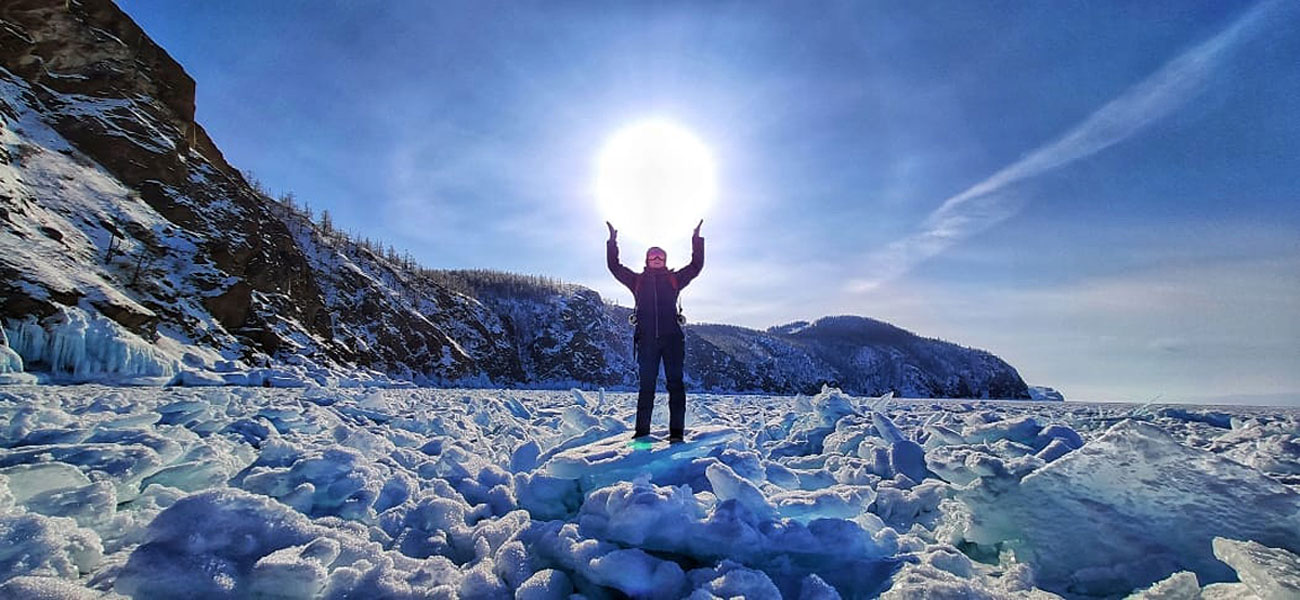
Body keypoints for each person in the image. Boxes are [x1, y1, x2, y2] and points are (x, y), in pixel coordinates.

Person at [606, 219, 704, 442]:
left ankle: (676, 435)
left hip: (672, 340)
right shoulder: (637, 281)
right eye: (653, 256)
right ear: (647, 260)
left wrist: (696, 239)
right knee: (646, 387)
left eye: (660, 256)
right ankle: (642, 435)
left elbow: (695, 266)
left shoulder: (674, 279)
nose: (657, 259)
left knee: (676, 385)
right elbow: (615, 267)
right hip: (647, 341)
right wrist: (612, 242)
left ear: (665, 260)